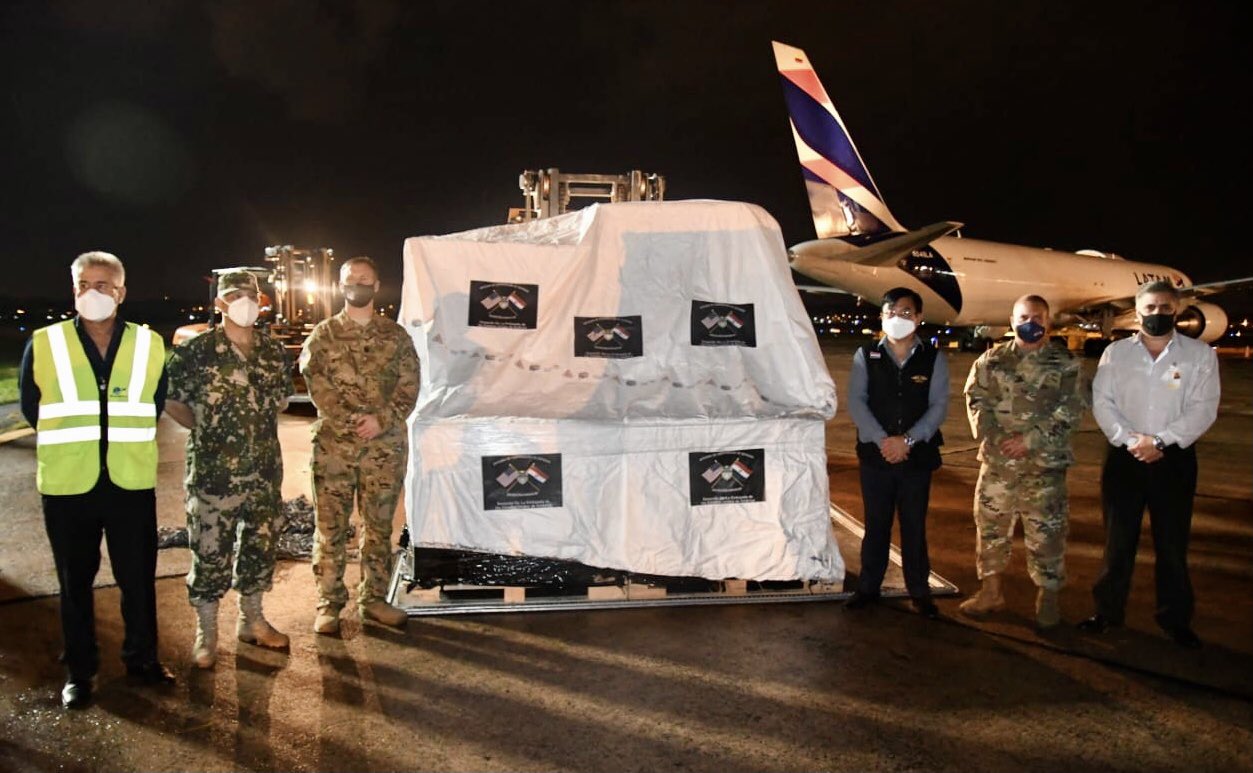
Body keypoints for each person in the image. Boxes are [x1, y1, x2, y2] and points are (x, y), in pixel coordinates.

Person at [18, 251, 174, 709]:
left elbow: (155, 404)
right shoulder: (45, 343)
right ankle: (80, 671)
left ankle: (142, 659)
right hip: (69, 484)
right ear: (73, 291)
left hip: (129, 482)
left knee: (138, 579)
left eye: (102, 285)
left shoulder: (148, 344)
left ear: (121, 293)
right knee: (74, 584)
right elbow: (32, 407)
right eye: (83, 285)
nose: (92, 293)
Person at [1080, 280, 1220, 648]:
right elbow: (1103, 403)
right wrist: (1132, 441)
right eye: (1150, 307)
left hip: (1173, 459)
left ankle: (1175, 619)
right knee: (1117, 541)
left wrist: (1160, 441)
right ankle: (1107, 611)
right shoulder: (1116, 353)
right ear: (1138, 311)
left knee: (1172, 544)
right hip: (1124, 458)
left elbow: (1203, 409)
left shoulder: (1199, 355)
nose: (1157, 314)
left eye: (1165, 307)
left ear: (1177, 310)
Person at [165, 270, 292, 668]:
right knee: (209, 551)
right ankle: (207, 633)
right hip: (213, 475)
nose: (244, 302)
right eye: (235, 296)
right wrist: (210, 432)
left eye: (251, 295)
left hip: (264, 472)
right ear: (219, 303)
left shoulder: (273, 352)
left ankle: (252, 620)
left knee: (260, 546)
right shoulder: (197, 351)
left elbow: (280, 402)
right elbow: (174, 402)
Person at [300, 256, 420, 634]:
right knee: (331, 528)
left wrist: (381, 420)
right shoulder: (324, 335)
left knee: (379, 527)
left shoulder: (395, 337)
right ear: (341, 286)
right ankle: (329, 603)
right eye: (351, 279)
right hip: (335, 447)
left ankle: (374, 599)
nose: (358, 284)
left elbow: (409, 386)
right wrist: (351, 419)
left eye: (365, 279)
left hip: (383, 449)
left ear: (376, 285)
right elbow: (316, 383)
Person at [961, 295, 1087, 628]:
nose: (1030, 323)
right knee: (990, 528)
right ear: (1012, 321)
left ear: (1048, 321)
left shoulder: (1066, 364)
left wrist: (1028, 440)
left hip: (1044, 465)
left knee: (1047, 533)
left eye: (1037, 317)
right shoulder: (991, 360)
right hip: (999, 463)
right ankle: (991, 592)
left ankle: (1048, 597)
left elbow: (1072, 410)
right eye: (1023, 317)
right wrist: (996, 437)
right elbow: (975, 399)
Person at [844, 287, 949, 618]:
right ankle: (868, 588)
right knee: (876, 524)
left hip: (916, 459)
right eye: (890, 312)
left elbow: (938, 406)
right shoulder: (866, 355)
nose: (897, 318)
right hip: (876, 457)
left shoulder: (933, 358)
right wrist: (883, 441)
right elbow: (856, 402)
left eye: (905, 312)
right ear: (881, 317)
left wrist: (908, 441)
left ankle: (919, 591)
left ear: (918, 318)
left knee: (914, 526)